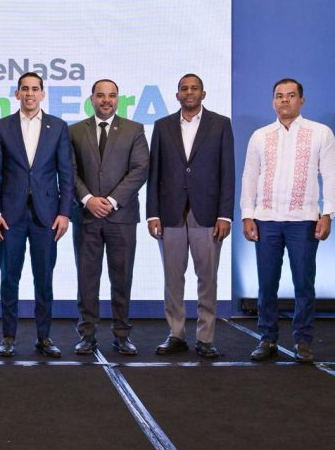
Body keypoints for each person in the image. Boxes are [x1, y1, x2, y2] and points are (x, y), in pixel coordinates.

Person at [240, 78, 334, 364]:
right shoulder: (260, 136)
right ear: (273, 101)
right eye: (279, 96)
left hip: (303, 220)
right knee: (267, 284)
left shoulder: (320, 133)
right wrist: (247, 215)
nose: (284, 100)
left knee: (304, 284)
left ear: (301, 101)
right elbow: (249, 176)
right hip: (266, 219)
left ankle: (303, 341)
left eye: (291, 95)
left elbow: (330, 175)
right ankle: (267, 338)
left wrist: (328, 213)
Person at [146, 74, 234, 359]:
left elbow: (227, 172)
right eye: (184, 88)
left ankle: (205, 338)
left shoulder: (221, 124)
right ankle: (176, 334)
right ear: (177, 95)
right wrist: (152, 214)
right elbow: (154, 172)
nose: (189, 92)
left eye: (194, 88)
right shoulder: (162, 126)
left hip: (207, 213)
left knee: (207, 279)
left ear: (203, 94)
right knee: (173, 279)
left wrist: (225, 215)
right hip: (170, 213)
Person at [0, 72, 73, 357]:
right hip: (9, 216)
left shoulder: (58, 127)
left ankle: (44, 337)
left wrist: (65, 212)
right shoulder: (1, 126)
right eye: (24, 89)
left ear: (43, 94)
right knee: (8, 278)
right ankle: (8, 336)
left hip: (46, 216)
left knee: (44, 279)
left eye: (35, 89)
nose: (29, 93)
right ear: (17, 94)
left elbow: (66, 174)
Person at [69, 79, 149, 356]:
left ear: (118, 99)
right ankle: (87, 335)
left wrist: (112, 201)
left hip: (121, 217)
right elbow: (69, 171)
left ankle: (122, 335)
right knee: (86, 279)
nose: (106, 100)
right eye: (101, 95)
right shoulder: (74, 131)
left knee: (122, 278)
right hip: (86, 216)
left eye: (112, 96)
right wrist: (88, 199)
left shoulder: (134, 129)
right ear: (91, 99)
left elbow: (140, 169)